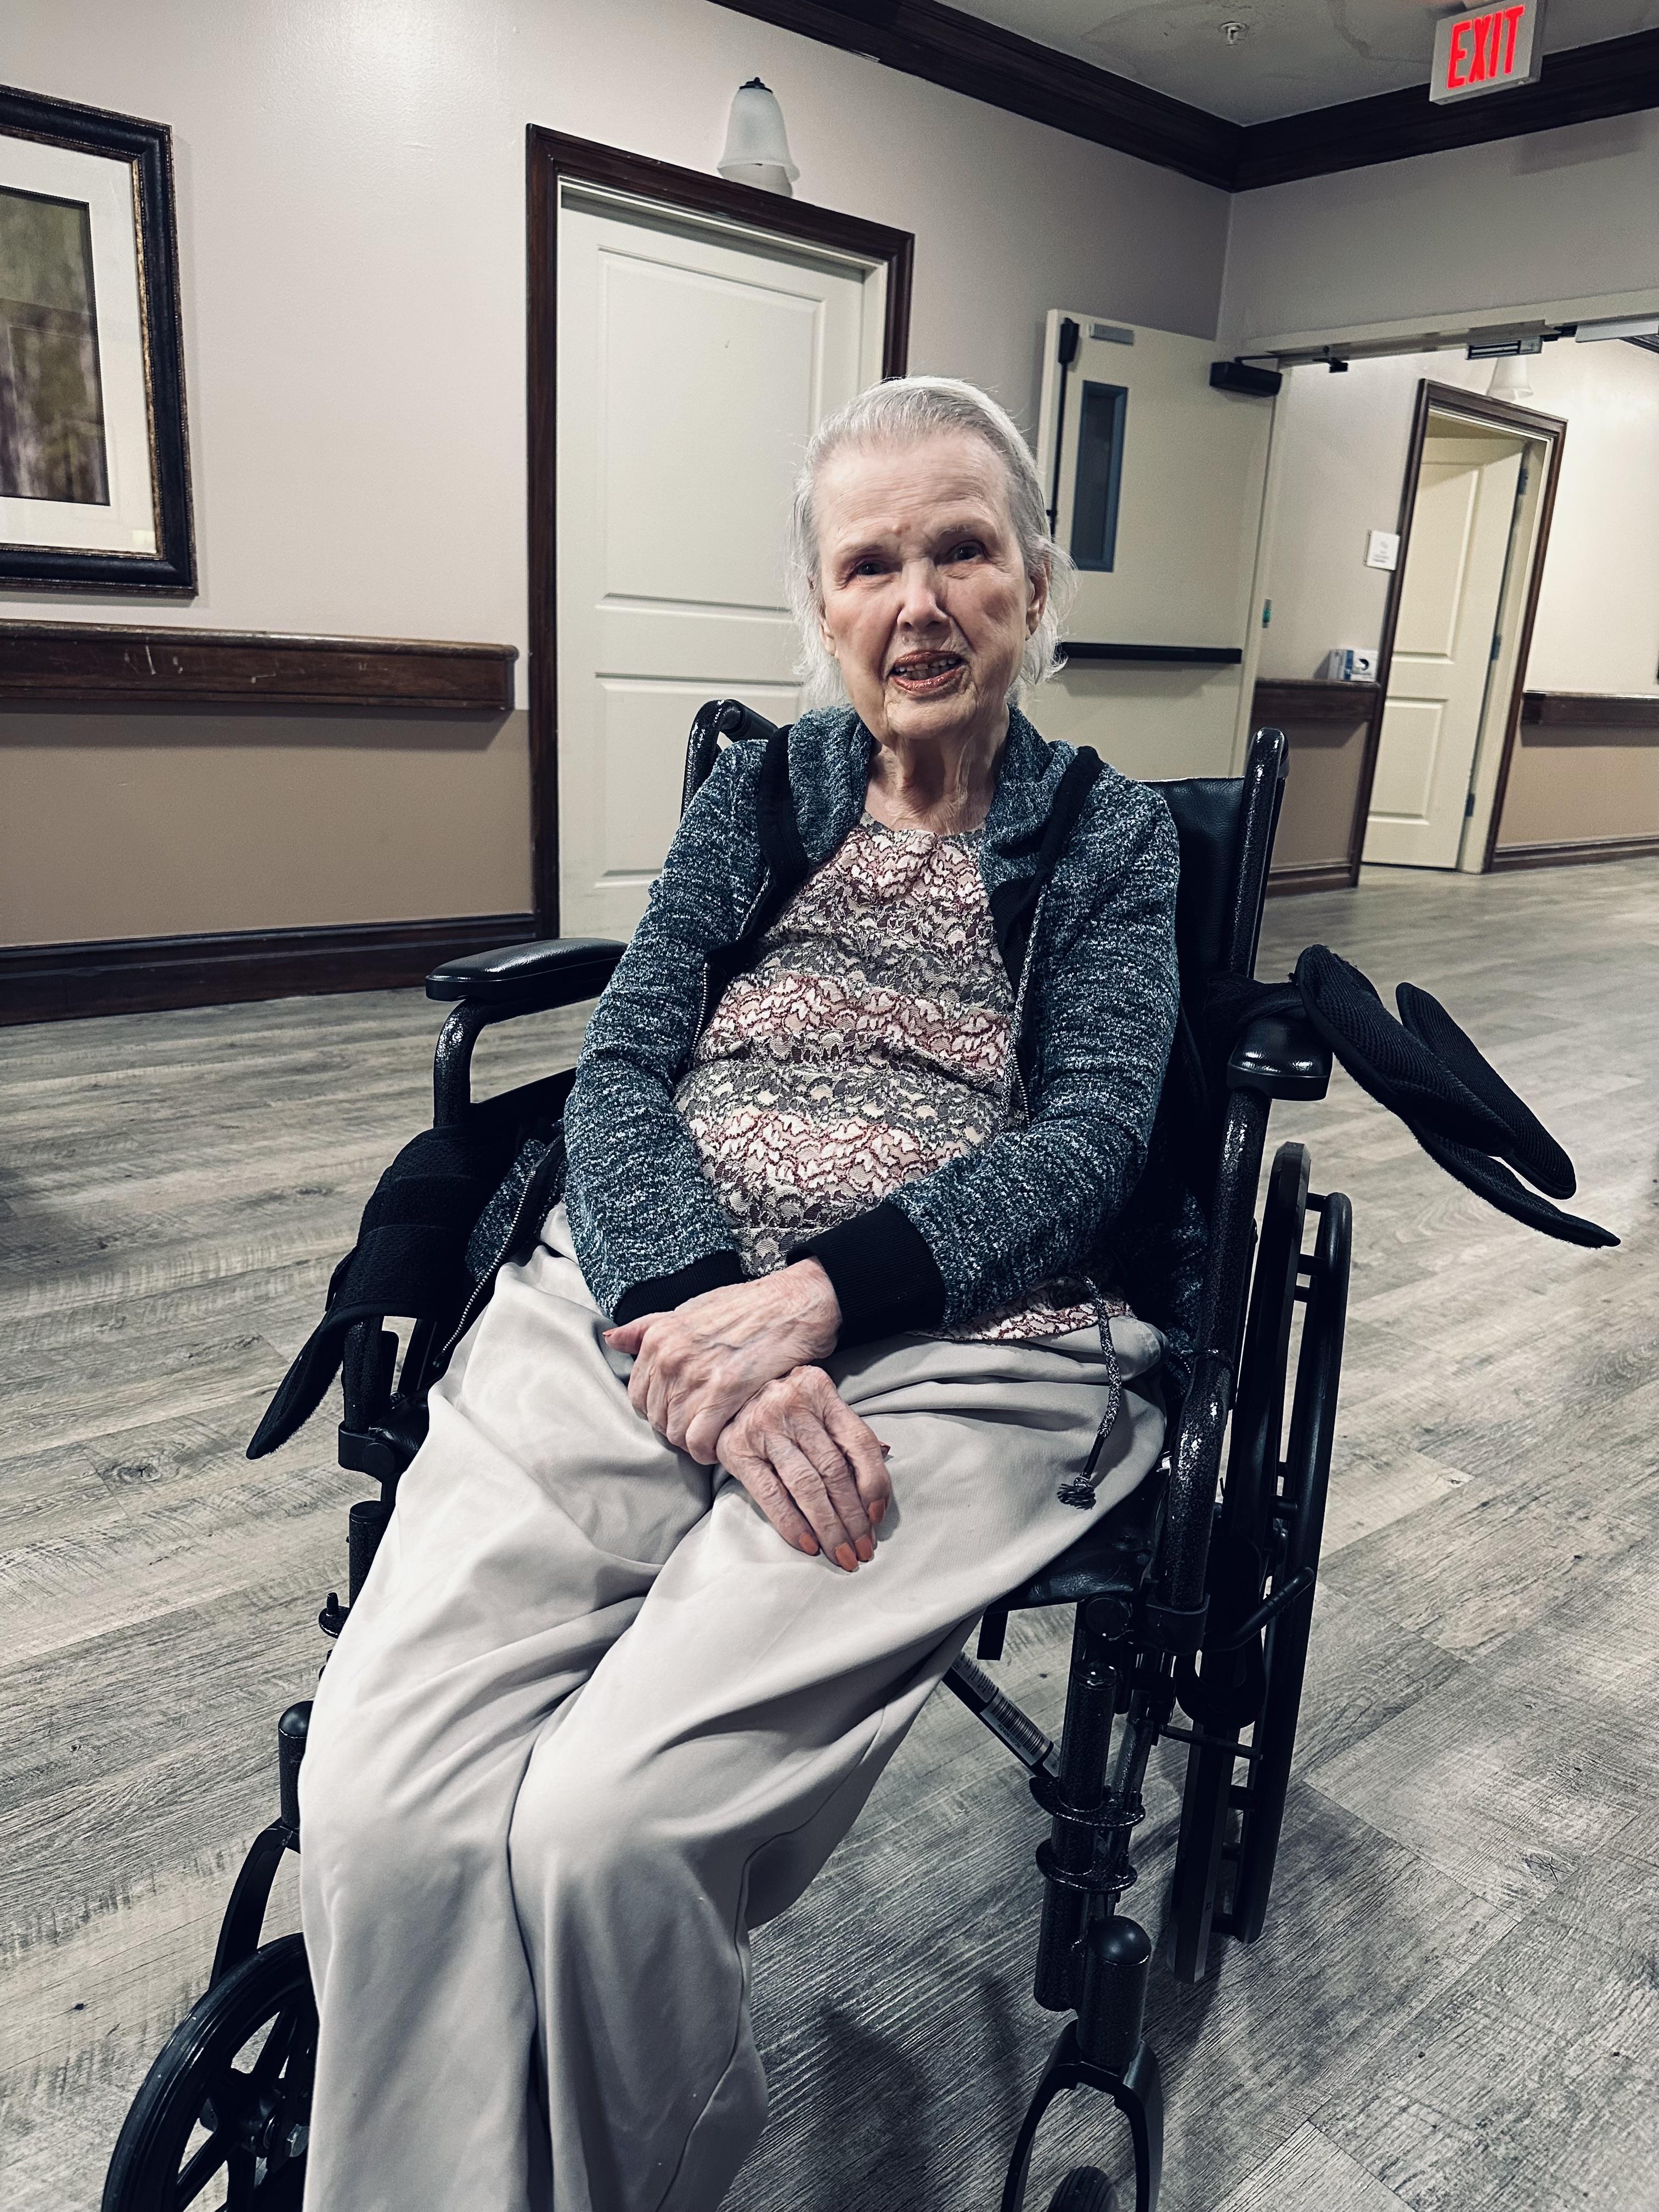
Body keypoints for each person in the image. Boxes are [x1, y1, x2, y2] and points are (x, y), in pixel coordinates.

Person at [297, 376, 1182, 2212]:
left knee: (614, 1831)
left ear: (1035, 578)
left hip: (951, 1343)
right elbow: (623, 1072)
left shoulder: (1108, 840)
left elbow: (1093, 1139)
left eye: (960, 549)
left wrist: (817, 1308)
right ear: (822, 605)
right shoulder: (759, 797)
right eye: (871, 563)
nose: (917, 601)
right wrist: (707, 1307)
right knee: (386, 1807)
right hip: (637, 1299)